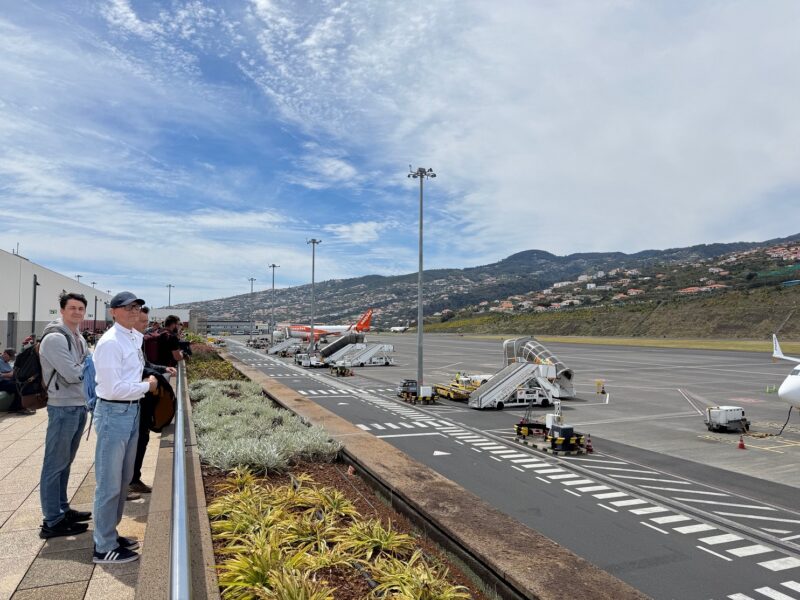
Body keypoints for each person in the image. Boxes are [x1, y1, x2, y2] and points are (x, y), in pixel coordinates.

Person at [92, 291, 157, 564]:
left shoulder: (132, 337)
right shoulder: (110, 342)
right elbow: (112, 388)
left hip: (131, 410)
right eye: (128, 307)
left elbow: (131, 373)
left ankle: (110, 533)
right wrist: (148, 386)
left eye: (137, 307)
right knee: (108, 483)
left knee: (122, 479)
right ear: (113, 311)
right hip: (114, 413)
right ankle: (103, 546)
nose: (134, 311)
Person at [38, 293, 91, 539]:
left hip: (78, 405)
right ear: (62, 310)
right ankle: (52, 520)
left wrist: (86, 366)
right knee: (54, 465)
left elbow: (86, 366)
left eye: (81, 308)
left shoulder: (77, 336)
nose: (77, 312)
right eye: (72, 308)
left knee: (65, 463)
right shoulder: (55, 338)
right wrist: (87, 367)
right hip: (62, 407)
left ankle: (62, 508)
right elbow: (73, 374)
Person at [130, 306, 176, 495]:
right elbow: (134, 370)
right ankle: (127, 482)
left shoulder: (138, 339)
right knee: (135, 441)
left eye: (146, 322)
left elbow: (144, 365)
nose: (145, 326)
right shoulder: (123, 342)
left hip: (140, 398)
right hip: (131, 400)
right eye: (142, 322)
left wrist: (162, 368)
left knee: (142, 439)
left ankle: (133, 478)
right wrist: (154, 376)